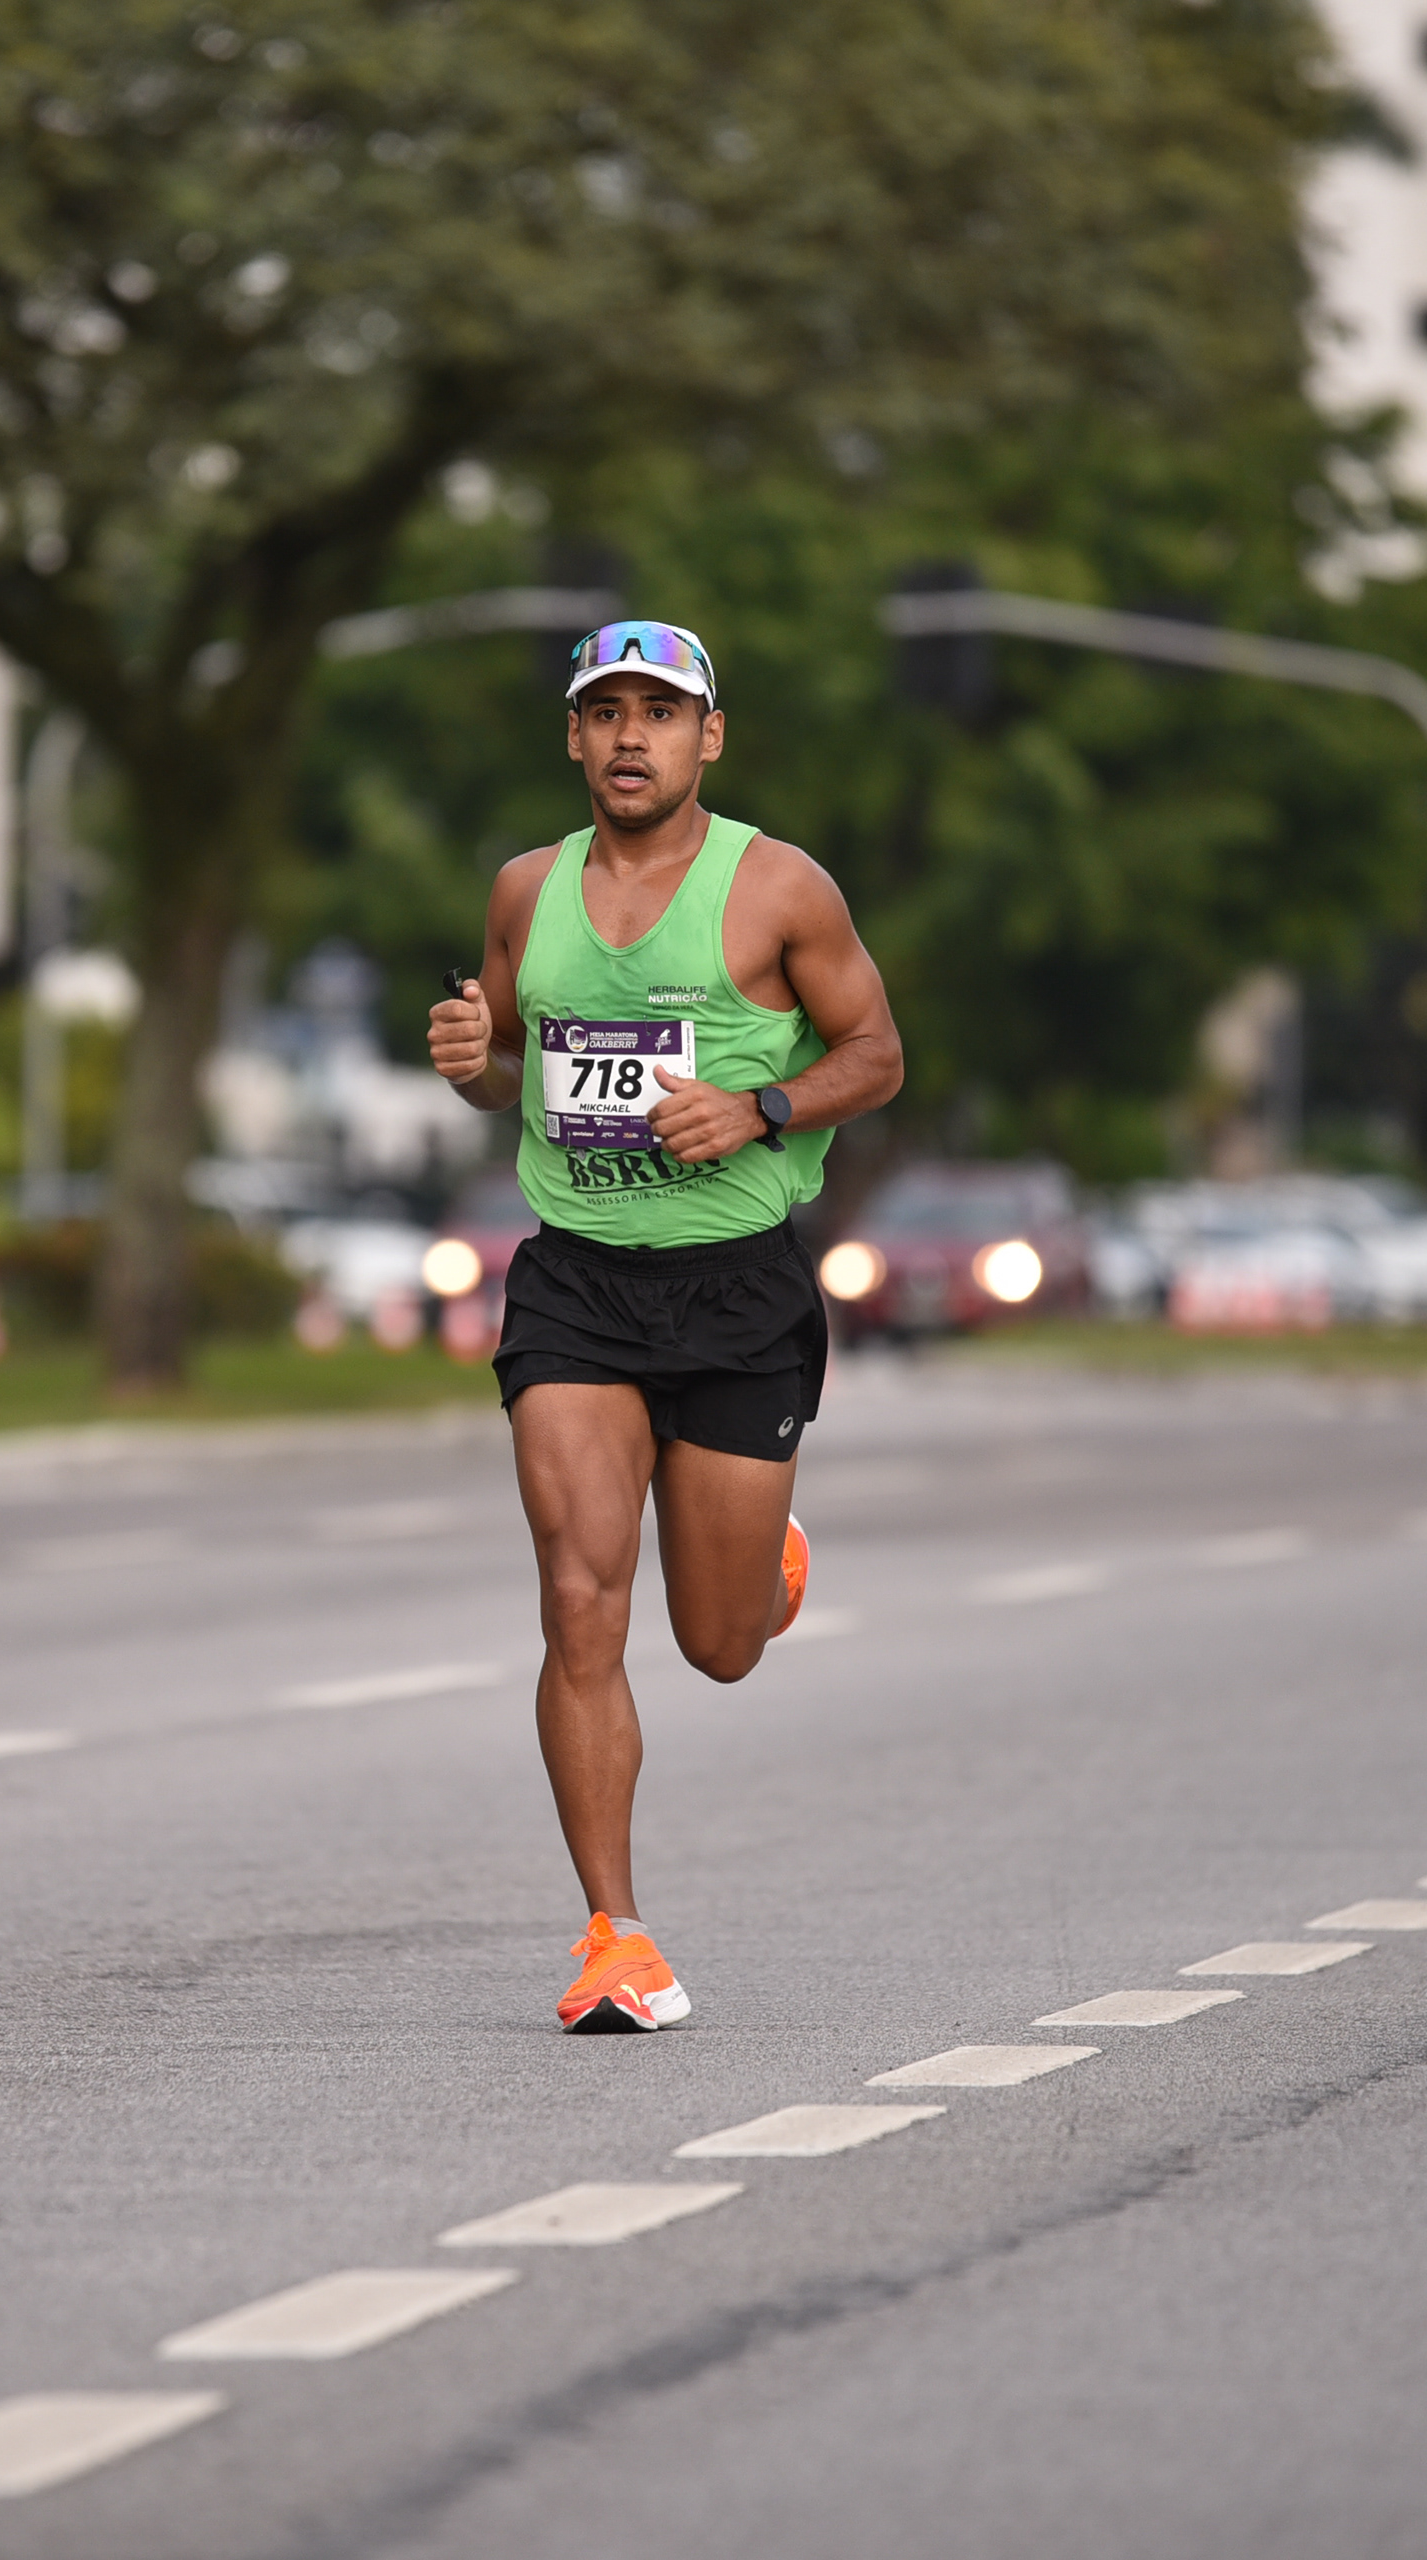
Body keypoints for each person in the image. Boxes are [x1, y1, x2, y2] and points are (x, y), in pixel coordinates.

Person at [426, 619, 905, 2032]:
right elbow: (505, 1060)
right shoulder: (527, 890)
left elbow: (876, 1054)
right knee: (580, 1599)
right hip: (576, 1283)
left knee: (719, 1643)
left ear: (710, 737)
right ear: (574, 738)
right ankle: (614, 1936)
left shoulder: (779, 889)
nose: (631, 734)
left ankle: (763, 1565)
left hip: (738, 1289)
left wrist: (761, 1106)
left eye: (661, 711)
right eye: (606, 711)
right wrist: (471, 1061)